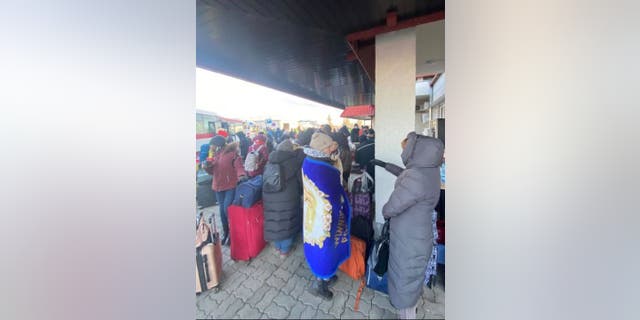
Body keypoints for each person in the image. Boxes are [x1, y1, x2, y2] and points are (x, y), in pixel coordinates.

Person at [371, 132, 444, 319]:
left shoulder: (416, 177)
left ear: (414, 151)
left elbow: (391, 207)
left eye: (405, 149)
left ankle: (407, 315)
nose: (403, 153)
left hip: (408, 240)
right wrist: (384, 165)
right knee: (411, 281)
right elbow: (406, 174)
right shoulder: (430, 169)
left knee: (405, 282)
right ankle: (408, 310)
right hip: (419, 234)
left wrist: (384, 211)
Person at [301, 132, 351, 300]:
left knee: (325, 248)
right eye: (330, 147)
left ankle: (325, 275)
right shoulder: (322, 169)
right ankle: (319, 284)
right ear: (322, 149)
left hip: (316, 216)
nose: (333, 149)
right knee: (324, 248)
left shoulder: (310, 161)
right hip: (323, 219)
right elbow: (331, 194)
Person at [262, 139, 306, 258]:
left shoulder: (270, 161)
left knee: (275, 221)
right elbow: (300, 181)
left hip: (270, 197)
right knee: (287, 222)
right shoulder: (294, 162)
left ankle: (277, 247)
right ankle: (284, 250)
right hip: (289, 198)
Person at [204, 135, 248, 246]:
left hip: (229, 186)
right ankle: (226, 233)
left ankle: (234, 234)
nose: (211, 147)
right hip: (218, 187)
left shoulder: (232, 153)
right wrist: (207, 166)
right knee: (222, 212)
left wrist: (241, 175)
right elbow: (212, 172)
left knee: (226, 210)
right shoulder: (215, 155)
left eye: (212, 145)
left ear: (218, 144)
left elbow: (239, 166)